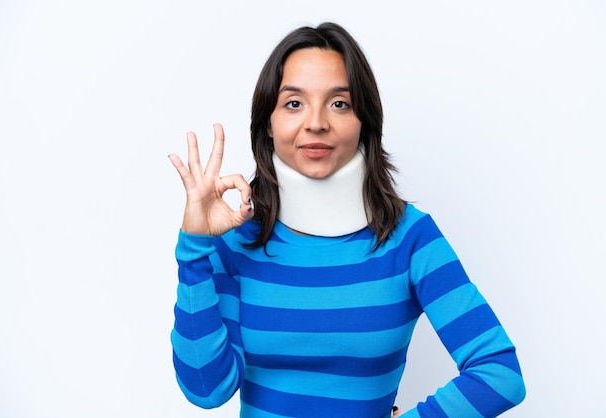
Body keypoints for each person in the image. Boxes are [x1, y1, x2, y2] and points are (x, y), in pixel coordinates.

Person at [168, 22, 526, 418]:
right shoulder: (236, 239)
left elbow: (499, 373)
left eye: (339, 103)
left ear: (364, 121)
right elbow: (207, 390)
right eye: (293, 103)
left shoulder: (410, 238)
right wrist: (194, 248)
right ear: (268, 125)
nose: (316, 122)